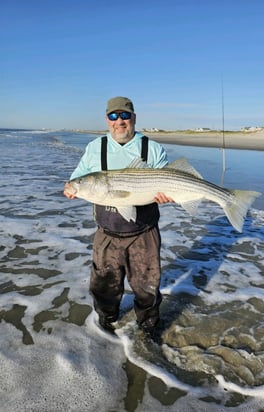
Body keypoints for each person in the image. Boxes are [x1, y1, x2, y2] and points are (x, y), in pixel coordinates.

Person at [64, 96, 172, 337]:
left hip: (144, 233)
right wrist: (73, 187)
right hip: (107, 232)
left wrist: (169, 194)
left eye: (125, 115)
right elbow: (77, 177)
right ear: (107, 119)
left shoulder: (151, 148)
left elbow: (169, 180)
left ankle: (148, 328)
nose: (119, 121)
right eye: (114, 116)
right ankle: (106, 324)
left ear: (134, 118)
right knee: (103, 286)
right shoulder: (95, 147)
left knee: (147, 287)